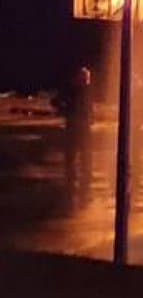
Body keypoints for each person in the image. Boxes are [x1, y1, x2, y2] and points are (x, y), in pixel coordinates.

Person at [61, 64, 93, 205]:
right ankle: (76, 181)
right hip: (78, 129)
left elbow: (58, 103)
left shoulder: (78, 92)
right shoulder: (78, 92)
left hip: (78, 128)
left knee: (79, 157)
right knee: (78, 157)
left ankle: (76, 181)